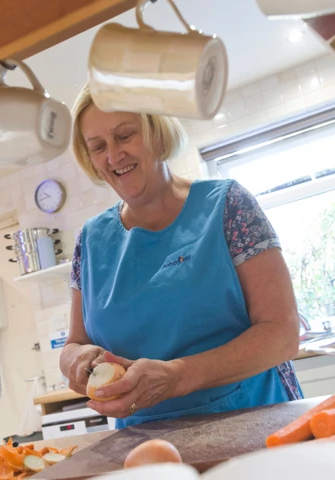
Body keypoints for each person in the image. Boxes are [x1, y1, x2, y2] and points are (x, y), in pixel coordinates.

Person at [59, 84, 304, 428]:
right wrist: (77, 359)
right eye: (98, 147)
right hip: (145, 443)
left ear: (156, 133)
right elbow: (75, 342)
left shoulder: (227, 206)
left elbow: (282, 334)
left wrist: (176, 376)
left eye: (125, 136)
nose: (113, 157)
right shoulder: (90, 240)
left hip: (256, 423)